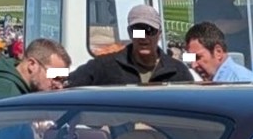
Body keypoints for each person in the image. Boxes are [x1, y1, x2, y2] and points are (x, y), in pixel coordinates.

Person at [66, 5, 194, 87]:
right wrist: (54, 72)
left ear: (159, 34)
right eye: (138, 31)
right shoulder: (105, 65)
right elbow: (68, 78)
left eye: (150, 31)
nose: (143, 37)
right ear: (129, 33)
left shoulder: (178, 71)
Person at [0, 37, 71, 98]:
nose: (60, 87)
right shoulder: (7, 94)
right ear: (32, 64)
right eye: (55, 77)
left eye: (63, 81)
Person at [183, 21, 253, 83]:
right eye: (191, 59)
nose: (194, 65)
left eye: (197, 57)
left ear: (218, 52)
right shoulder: (210, 81)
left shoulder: (242, 82)